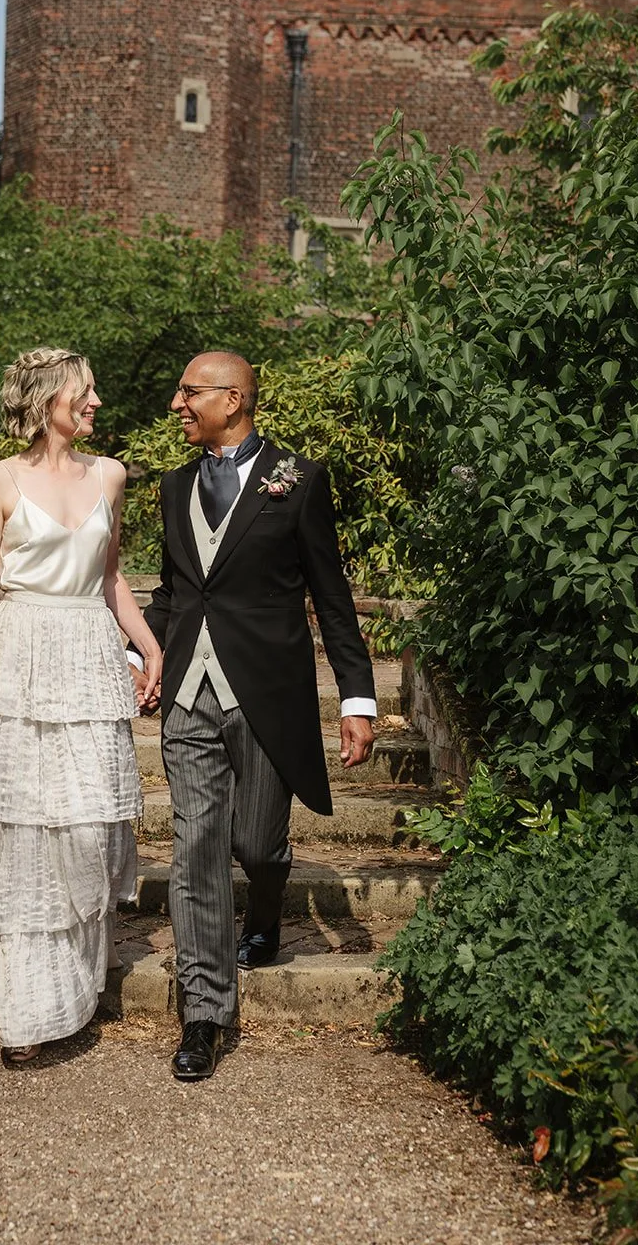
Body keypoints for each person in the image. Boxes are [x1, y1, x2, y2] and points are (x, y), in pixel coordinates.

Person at [137, 350, 377, 1081]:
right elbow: (175, 591)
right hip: (188, 692)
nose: (177, 403)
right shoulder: (173, 486)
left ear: (233, 398)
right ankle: (204, 1013)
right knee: (196, 848)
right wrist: (136, 656)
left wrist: (357, 699)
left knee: (257, 846)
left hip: (268, 693)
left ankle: (265, 911)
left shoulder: (297, 481)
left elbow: (331, 597)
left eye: (189, 391)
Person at [0, 348, 162, 1065]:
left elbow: (109, 580)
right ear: (48, 402)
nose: (97, 401)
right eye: (85, 391)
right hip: (19, 657)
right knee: (26, 831)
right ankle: (26, 1016)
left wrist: (148, 646)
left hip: (90, 655)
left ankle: (75, 989)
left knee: (89, 825)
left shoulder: (111, 476)